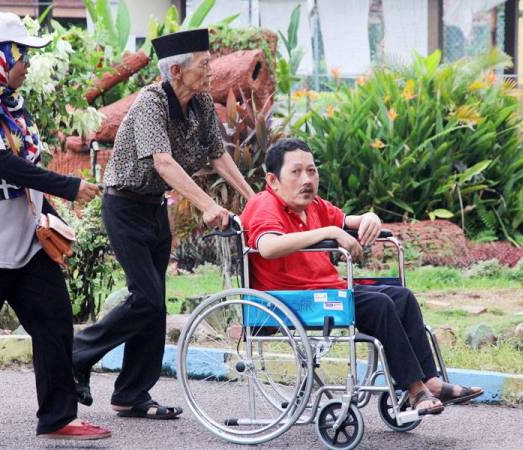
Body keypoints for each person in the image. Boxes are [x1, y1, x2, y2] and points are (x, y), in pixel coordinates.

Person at [0, 11, 111, 449]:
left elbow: (25, 171)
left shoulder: (9, 104)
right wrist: (69, 186)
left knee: (54, 323)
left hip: (23, 241)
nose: (27, 64)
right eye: (22, 55)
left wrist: (51, 212)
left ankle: (57, 416)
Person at [72, 28, 255, 419]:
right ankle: (76, 354)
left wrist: (255, 200)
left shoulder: (202, 102)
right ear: (176, 71)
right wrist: (206, 204)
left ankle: (131, 394)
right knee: (147, 298)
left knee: (153, 306)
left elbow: (217, 155)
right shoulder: (150, 103)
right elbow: (163, 161)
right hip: (123, 206)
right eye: (203, 65)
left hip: (155, 208)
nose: (210, 71)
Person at [240, 138, 483, 414]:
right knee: (380, 306)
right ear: (273, 181)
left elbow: (350, 221)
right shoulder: (264, 205)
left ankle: (432, 382)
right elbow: (268, 247)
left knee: (402, 297)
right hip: (293, 301)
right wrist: (329, 232)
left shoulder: (315, 206)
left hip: (328, 292)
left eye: (312, 170)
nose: (307, 179)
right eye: (296, 172)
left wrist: (370, 217)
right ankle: (415, 390)